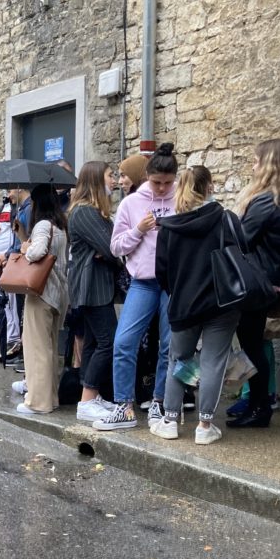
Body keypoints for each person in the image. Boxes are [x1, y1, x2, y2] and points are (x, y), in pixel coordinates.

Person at [152, 166, 241, 444]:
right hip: (221, 302)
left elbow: (161, 272)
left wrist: (178, 291)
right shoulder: (226, 219)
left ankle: (169, 421)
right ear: (210, 186)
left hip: (183, 304)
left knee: (179, 359)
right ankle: (204, 426)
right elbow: (243, 254)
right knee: (213, 361)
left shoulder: (169, 226)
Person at [95, 144, 178, 430]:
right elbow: (116, 245)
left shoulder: (182, 198)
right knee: (124, 341)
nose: (163, 188)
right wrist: (139, 230)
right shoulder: (131, 204)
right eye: (157, 182)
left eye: (168, 183)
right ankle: (124, 406)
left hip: (173, 283)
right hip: (143, 282)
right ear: (147, 177)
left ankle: (160, 402)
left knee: (170, 346)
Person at [228, 139, 280, 430]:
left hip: (255, 284)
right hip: (274, 282)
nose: (252, 166)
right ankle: (256, 403)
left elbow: (241, 239)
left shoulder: (266, 200)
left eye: (257, 161)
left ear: (270, 165)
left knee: (251, 346)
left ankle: (260, 407)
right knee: (255, 345)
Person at [67, 162, 120, 422]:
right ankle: (88, 399)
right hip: (93, 288)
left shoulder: (90, 212)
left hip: (94, 287)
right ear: (96, 180)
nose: (115, 181)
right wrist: (108, 251)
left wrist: (107, 250)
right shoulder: (86, 212)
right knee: (109, 342)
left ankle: (90, 397)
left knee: (92, 342)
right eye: (110, 176)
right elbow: (114, 247)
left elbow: (108, 248)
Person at [11, 184, 68, 414]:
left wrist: (25, 246)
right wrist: (23, 235)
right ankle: (50, 398)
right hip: (57, 294)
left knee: (37, 349)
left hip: (41, 293)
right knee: (50, 348)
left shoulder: (43, 225)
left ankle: (37, 402)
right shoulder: (61, 226)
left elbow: (37, 252)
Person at [0, 191, 23, 363]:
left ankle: (14, 342)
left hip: (11, 261)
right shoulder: (5, 205)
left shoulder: (22, 208)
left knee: (12, 303)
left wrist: (9, 256)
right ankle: (12, 338)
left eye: (10, 190)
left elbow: (17, 236)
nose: (8, 193)